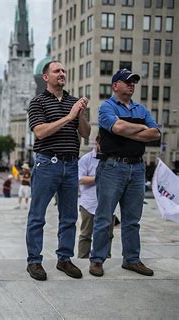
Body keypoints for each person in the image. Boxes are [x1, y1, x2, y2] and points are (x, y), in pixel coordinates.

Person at [89, 69, 160, 277]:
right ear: (115, 86)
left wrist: (129, 131)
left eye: (134, 82)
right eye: (127, 81)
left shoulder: (141, 108)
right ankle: (97, 260)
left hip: (137, 168)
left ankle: (131, 260)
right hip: (112, 167)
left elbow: (155, 133)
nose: (131, 85)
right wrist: (139, 130)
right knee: (104, 217)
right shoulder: (106, 107)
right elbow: (117, 128)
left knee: (132, 219)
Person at [26, 60, 90, 281]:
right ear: (46, 77)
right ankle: (34, 261)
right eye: (57, 71)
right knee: (37, 216)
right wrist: (69, 117)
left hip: (71, 164)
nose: (62, 73)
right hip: (47, 164)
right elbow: (40, 132)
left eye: (64, 70)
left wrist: (80, 115)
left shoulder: (74, 102)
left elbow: (85, 133)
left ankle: (64, 259)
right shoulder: (38, 102)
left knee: (69, 217)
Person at [77, 136, 116, 259]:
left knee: (108, 235)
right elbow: (80, 179)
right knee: (85, 235)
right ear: (97, 143)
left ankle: (105, 259)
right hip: (89, 203)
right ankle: (82, 260)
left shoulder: (113, 159)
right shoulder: (86, 159)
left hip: (109, 203)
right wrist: (98, 178)